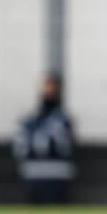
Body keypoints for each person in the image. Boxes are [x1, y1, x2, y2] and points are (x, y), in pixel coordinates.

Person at [11, 72, 75, 205]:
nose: (48, 90)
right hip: (33, 174)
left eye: (51, 86)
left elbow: (64, 146)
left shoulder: (62, 120)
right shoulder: (31, 120)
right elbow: (21, 145)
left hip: (56, 176)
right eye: (45, 85)